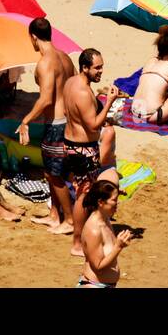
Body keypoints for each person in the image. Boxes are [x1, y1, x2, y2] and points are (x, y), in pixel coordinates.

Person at [17, 18, 77, 233]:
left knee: (54, 174)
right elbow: (74, 87)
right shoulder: (65, 58)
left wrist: (25, 120)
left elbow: (46, 99)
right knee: (53, 171)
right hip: (68, 121)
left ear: (33, 37)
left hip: (56, 124)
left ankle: (69, 220)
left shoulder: (45, 62)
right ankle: (54, 215)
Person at [61, 47, 118, 256]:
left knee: (82, 192)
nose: (101, 71)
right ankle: (77, 243)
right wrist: (109, 102)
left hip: (71, 143)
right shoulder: (83, 91)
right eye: (97, 68)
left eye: (102, 67)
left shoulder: (71, 83)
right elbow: (93, 125)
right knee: (84, 195)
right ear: (85, 67)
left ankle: (82, 236)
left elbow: (71, 110)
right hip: (82, 149)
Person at [77, 179, 131, 287]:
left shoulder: (104, 219)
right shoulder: (94, 230)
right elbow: (98, 266)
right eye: (114, 200)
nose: (117, 203)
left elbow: (98, 190)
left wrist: (116, 192)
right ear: (101, 202)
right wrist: (118, 247)